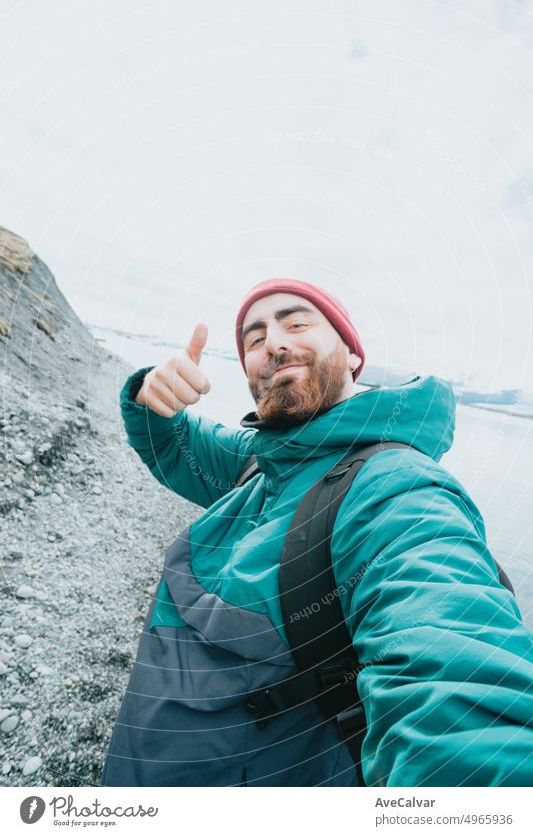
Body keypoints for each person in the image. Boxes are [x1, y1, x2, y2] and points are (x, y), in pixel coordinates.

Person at [100, 278, 533, 787]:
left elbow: (454, 679)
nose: (274, 343)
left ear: (353, 356)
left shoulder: (397, 489)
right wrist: (154, 398)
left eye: (297, 322)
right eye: (254, 340)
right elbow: (172, 447)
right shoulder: (261, 461)